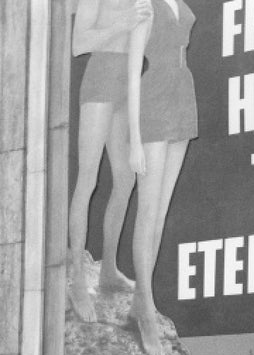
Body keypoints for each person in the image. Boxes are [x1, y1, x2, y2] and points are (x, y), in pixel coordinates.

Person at [68, 0, 152, 322]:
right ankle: (77, 279)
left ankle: (108, 270)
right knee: (87, 179)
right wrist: (123, 23)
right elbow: (78, 44)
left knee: (126, 179)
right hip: (100, 78)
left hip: (129, 82)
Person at [126, 0, 198, 355]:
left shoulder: (179, 4)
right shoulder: (145, 4)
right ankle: (147, 310)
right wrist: (134, 139)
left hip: (183, 94)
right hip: (154, 98)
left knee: (161, 213)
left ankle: (141, 299)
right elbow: (132, 69)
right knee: (147, 211)